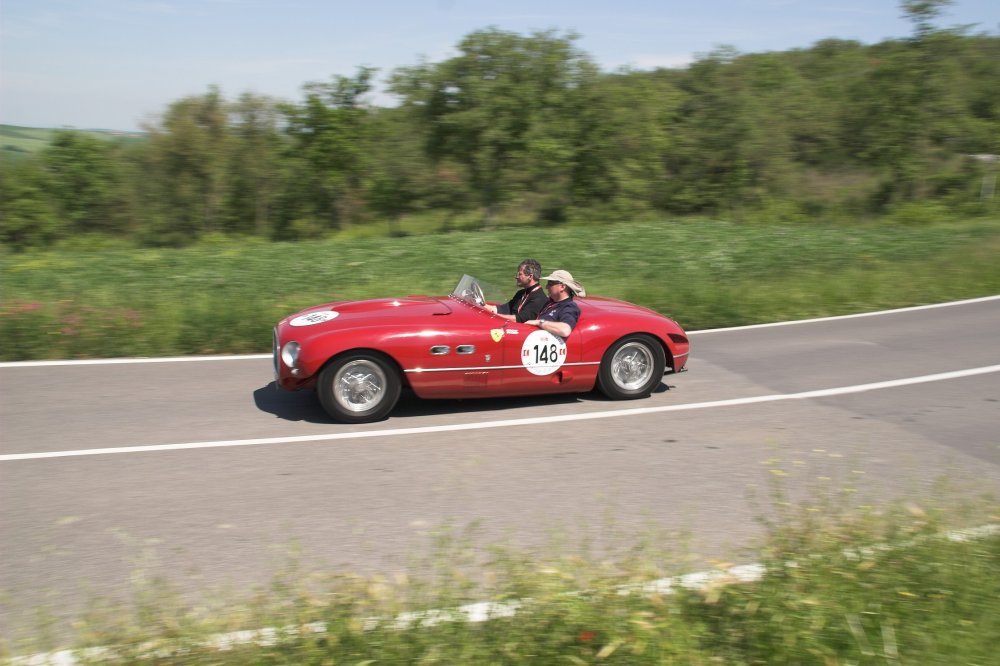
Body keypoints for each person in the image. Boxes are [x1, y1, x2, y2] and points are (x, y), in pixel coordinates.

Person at [526, 269, 586, 338]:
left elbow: (565, 330)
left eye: (550, 284)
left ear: (562, 287)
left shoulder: (569, 307)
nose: (546, 287)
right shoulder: (550, 302)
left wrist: (540, 322)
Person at [484, 259, 547, 323]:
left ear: (530, 276)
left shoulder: (539, 299)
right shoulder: (521, 293)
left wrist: (494, 316)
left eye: (520, 274)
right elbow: (504, 309)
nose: (516, 277)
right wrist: (484, 306)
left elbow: (519, 319)